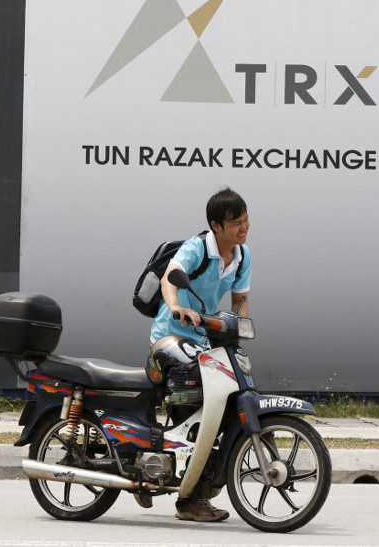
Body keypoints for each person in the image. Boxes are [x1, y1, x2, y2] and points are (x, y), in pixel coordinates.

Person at [148, 187, 252, 522]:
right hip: (171, 338)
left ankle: (196, 481)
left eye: (246, 219)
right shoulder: (197, 249)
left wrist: (237, 325)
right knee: (190, 408)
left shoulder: (242, 256)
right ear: (216, 225)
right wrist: (176, 306)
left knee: (227, 402)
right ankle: (186, 500)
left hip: (203, 339)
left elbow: (240, 299)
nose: (243, 227)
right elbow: (169, 279)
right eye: (235, 222)